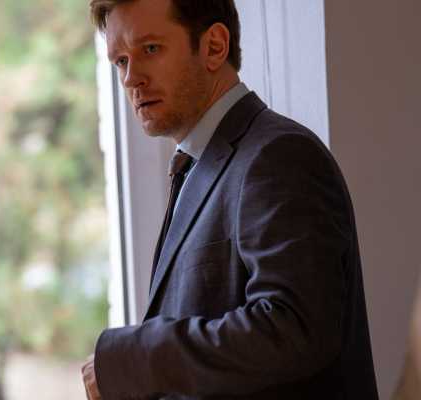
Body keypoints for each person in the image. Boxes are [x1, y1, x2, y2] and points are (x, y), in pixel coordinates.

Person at [81, 0, 379, 399]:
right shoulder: (200, 166)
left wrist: (135, 358)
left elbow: (293, 329)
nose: (132, 78)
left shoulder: (279, 156)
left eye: (150, 49)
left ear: (214, 47)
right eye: (120, 61)